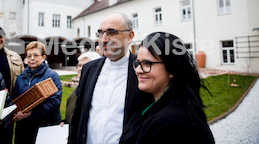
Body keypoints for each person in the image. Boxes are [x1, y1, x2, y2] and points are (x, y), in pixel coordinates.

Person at [69, 13, 153, 144]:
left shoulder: (144, 70)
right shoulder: (89, 70)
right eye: (100, 33)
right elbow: (78, 116)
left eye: (111, 33)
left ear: (130, 36)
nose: (103, 39)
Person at [119, 32, 215, 144]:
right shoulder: (149, 103)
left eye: (147, 63)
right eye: (138, 63)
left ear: (171, 68)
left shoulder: (173, 122)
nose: (138, 70)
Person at [10, 41, 62, 144]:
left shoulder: (52, 76)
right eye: (29, 56)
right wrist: (17, 112)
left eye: (36, 55)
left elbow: (54, 103)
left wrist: (31, 113)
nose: (32, 59)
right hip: (24, 128)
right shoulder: (21, 77)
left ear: (43, 57)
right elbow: (15, 98)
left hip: (45, 126)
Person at [59, 51, 100, 127]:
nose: (80, 69)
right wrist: (65, 122)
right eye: (79, 65)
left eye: (85, 65)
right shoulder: (80, 86)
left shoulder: (98, 90)